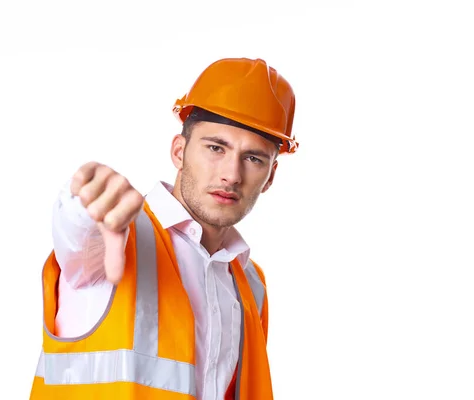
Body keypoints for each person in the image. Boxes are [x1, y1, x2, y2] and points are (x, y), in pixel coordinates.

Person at [29, 57, 299, 400]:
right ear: (179, 151)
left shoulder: (251, 286)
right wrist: (86, 203)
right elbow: (79, 235)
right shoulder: (120, 239)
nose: (231, 174)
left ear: (270, 176)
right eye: (216, 148)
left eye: (253, 158)